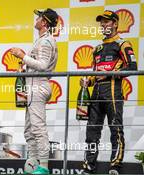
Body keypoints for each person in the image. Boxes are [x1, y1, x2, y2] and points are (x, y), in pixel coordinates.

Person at [81, 10, 137, 175]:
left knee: (115, 128)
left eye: (107, 22)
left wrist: (110, 73)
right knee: (92, 131)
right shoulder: (97, 48)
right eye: (101, 22)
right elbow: (94, 73)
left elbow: (132, 68)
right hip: (96, 91)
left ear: (115, 24)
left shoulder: (122, 43)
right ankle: (89, 166)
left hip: (113, 89)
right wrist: (88, 81)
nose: (104, 25)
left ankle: (115, 165)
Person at [11, 8, 58, 174]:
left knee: (38, 128)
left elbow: (43, 66)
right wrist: (25, 70)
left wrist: (22, 56)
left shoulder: (45, 41)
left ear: (44, 22)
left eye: (39, 17)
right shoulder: (41, 40)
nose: (36, 19)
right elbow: (38, 65)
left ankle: (44, 166)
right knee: (29, 130)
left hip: (38, 85)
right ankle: (32, 165)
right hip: (33, 85)